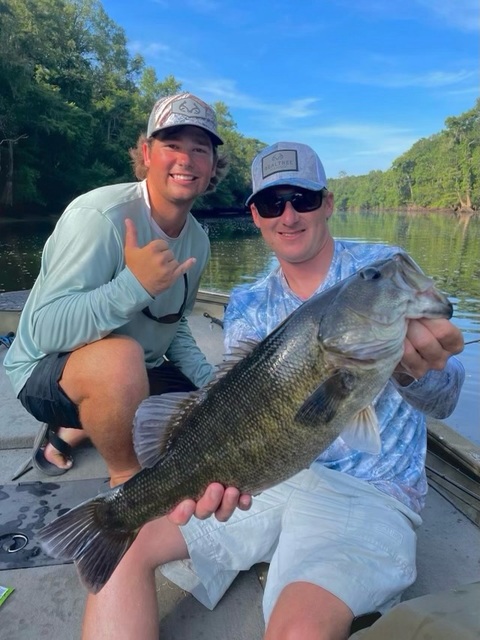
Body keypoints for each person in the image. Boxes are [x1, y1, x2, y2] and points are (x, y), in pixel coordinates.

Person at [80, 141, 465, 640]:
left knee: (297, 631)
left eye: (302, 199)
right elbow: (237, 409)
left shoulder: (384, 270)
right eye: (271, 203)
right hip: (266, 476)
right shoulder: (248, 300)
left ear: (327, 202)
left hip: (370, 491)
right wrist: (221, 472)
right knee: (120, 542)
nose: (288, 215)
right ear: (255, 216)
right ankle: (120, 515)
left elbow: (448, 397)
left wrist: (419, 371)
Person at [5, 92, 250, 522]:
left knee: (212, 418)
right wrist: (134, 285)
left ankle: (77, 429)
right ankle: (127, 485)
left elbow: (173, 326)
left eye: (200, 149)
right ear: (146, 153)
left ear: (213, 167)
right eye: (172, 144)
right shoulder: (99, 217)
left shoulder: (198, 240)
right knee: (121, 361)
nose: (186, 159)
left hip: (140, 370)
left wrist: (214, 387)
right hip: (46, 372)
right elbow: (44, 329)